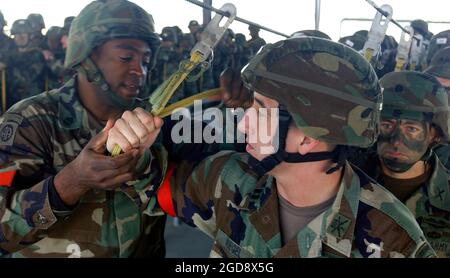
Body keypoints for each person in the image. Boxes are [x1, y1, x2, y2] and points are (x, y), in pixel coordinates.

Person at [108, 37, 435, 258]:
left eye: (260, 110)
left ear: (307, 137)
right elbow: (157, 188)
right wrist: (134, 150)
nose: (242, 123)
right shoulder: (230, 178)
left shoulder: (393, 240)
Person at [0, 0, 166, 258]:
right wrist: (71, 182)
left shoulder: (154, 122)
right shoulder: (30, 121)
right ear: (86, 56)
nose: (139, 71)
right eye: (126, 57)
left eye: (145, 60)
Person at [352, 71, 450, 258]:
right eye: (387, 125)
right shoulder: (343, 180)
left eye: (411, 129)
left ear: (434, 135)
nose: (396, 141)